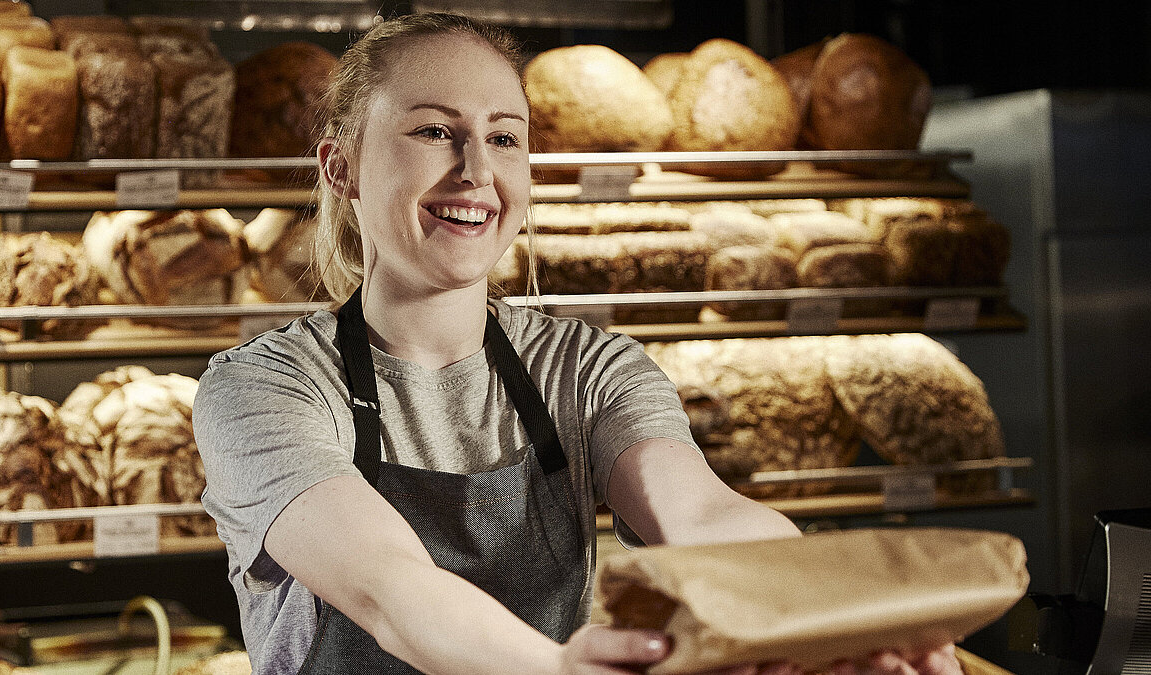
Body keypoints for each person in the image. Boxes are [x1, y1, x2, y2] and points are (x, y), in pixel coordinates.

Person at [193, 13, 964, 675]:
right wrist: (558, 665)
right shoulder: (263, 389)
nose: (475, 171)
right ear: (341, 166)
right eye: (434, 131)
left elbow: (700, 514)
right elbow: (389, 588)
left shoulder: (588, 367)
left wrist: (836, 610)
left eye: (504, 137)